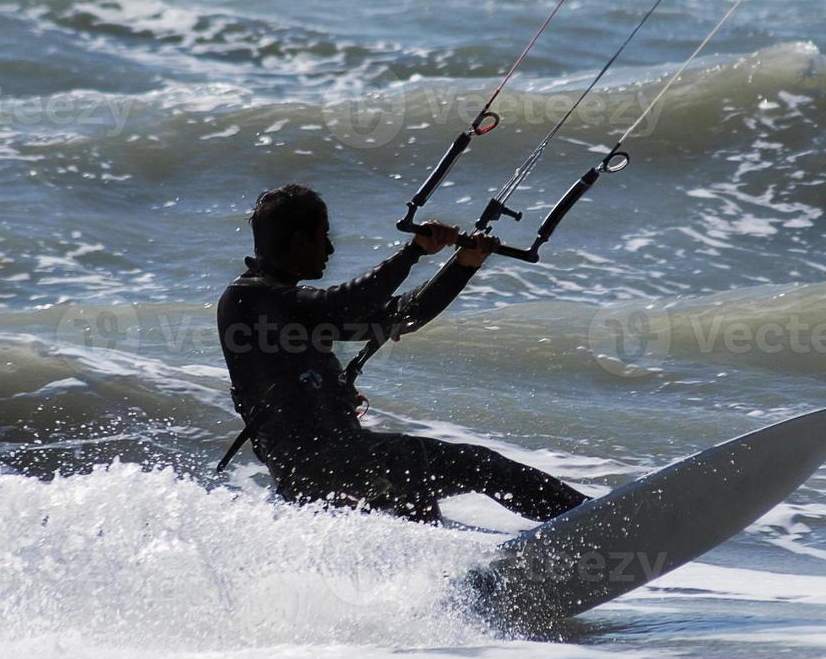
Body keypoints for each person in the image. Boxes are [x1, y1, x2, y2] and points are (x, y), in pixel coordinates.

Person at [218, 184, 589, 523]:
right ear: (299, 241)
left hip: (347, 461)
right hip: (320, 468)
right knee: (410, 463)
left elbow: (405, 315)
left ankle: (587, 519)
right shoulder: (248, 299)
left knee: (483, 467)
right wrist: (413, 251)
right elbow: (342, 303)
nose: (330, 249)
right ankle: (441, 565)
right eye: (323, 237)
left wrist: (464, 265)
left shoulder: (297, 309)